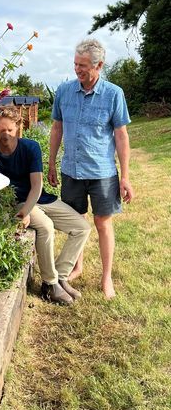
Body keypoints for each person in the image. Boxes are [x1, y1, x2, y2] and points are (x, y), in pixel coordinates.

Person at [0, 105, 91, 305]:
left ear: (18, 127)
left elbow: (37, 185)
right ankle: (49, 284)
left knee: (82, 227)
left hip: (38, 198)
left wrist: (27, 212)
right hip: (14, 202)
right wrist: (22, 210)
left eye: (10, 130)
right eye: (1, 131)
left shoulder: (30, 147)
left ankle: (61, 276)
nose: (6, 135)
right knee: (45, 226)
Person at [48, 38, 134, 300]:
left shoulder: (113, 94)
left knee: (102, 223)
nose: (78, 69)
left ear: (99, 65)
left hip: (102, 172)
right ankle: (77, 266)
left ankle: (106, 278)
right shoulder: (64, 91)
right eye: (75, 64)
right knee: (76, 222)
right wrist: (51, 162)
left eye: (83, 65)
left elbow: (121, 136)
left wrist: (126, 177)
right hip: (71, 170)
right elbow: (56, 128)